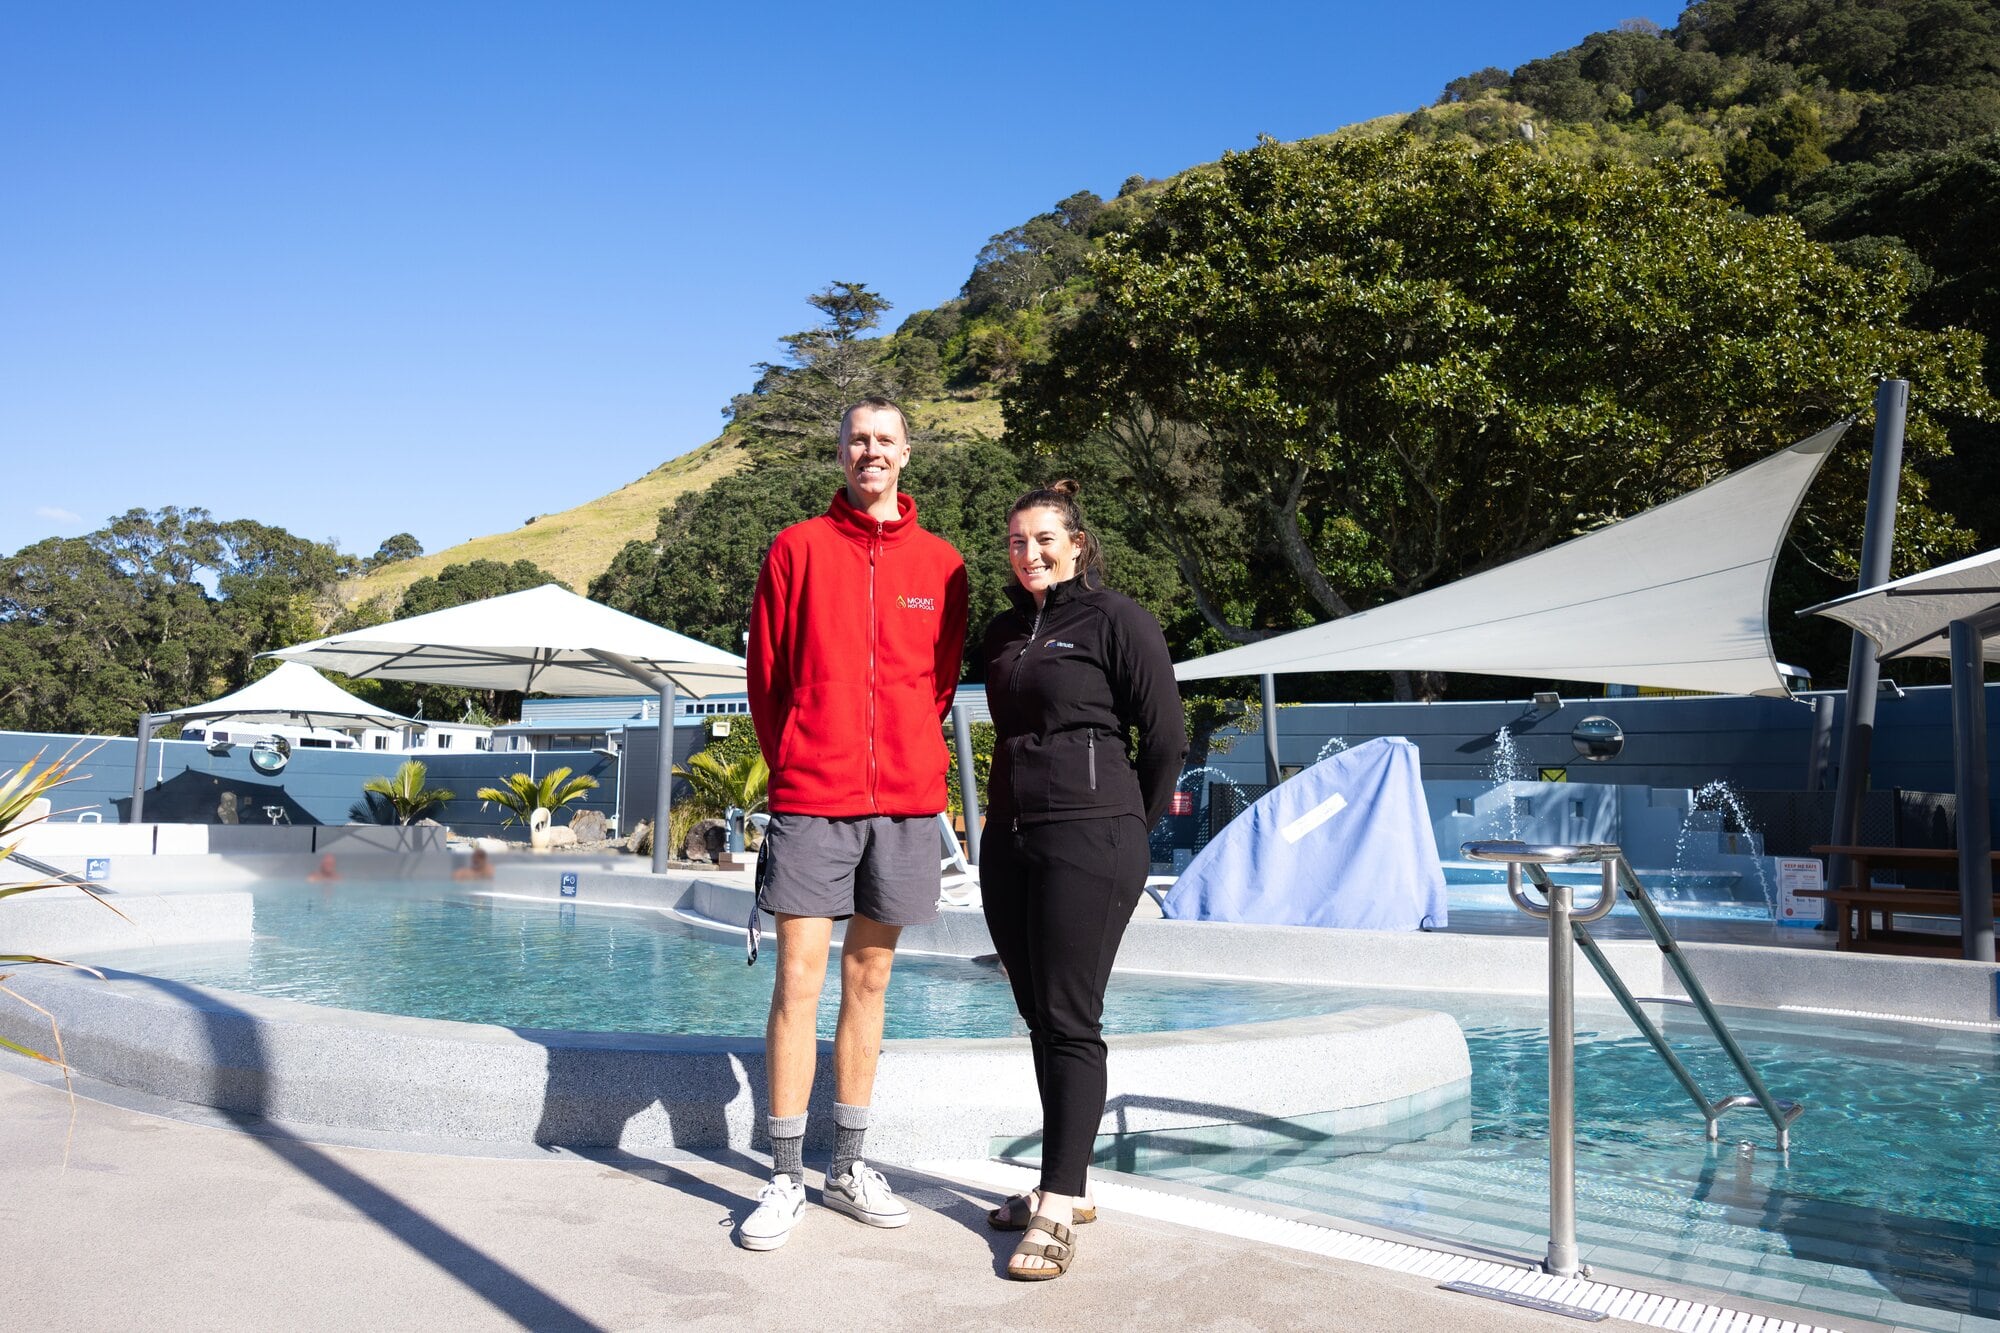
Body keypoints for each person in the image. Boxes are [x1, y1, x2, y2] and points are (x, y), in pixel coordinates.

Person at [735, 395, 969, 1252]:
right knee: (798, 979)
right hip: (814, 795)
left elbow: (936, 686)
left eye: (885, 439)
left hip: (905, 803)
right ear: (840, 452)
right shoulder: (796, 548)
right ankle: (785, 1175)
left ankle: (850, 1164)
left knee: (870, 981)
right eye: (857, 439)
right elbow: (768, 675)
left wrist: (904, 754)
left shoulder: (944, 564)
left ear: (907, 452)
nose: (871, 451)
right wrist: (801, 756)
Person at [978, 480, 1185, 1280]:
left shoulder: (1115, 619)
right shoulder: (1001, 631)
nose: (1029, 552)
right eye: (1017, 541)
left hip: (1090, 838)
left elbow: (1165, 735)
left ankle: (1058, 1206)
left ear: (1077, 544)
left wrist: (1126, 825)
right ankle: (1062, 1180)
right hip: (1012, 840)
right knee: (1039, 1013)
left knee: (1070, 1017)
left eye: (1043, 539)